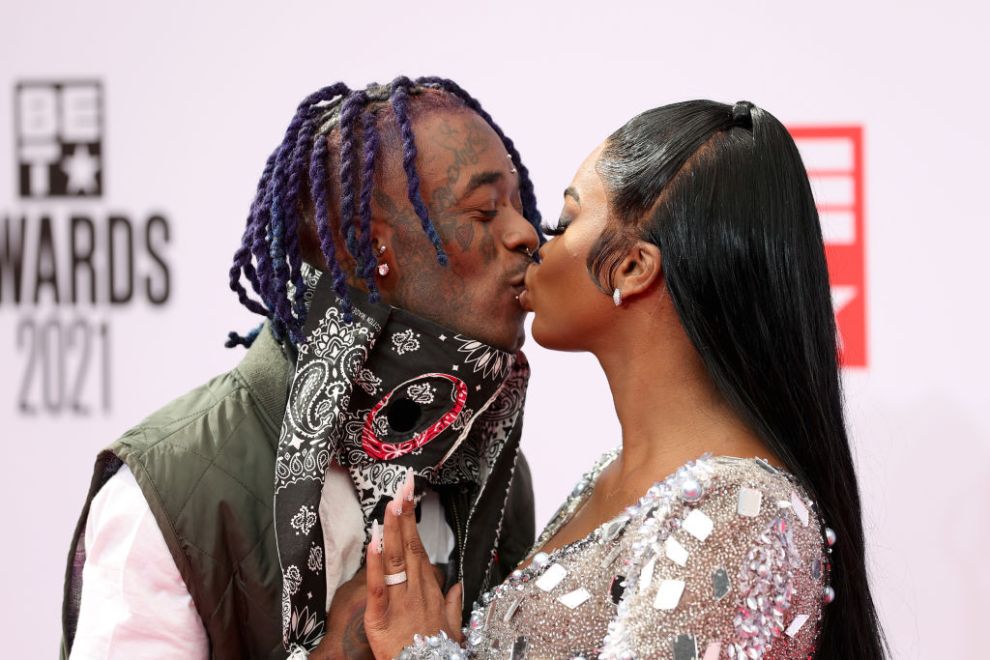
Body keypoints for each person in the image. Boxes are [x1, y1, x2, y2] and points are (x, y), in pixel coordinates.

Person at [357, 100, 888, 658]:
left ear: (633, 268)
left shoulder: (746, 513)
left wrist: (421, 653)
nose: (536, 243)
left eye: (564, 223)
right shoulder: (606, 479)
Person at [60, 76, 543, 659]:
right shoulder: (176, 490)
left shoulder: (495, 470)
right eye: (487, 209)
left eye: (518, 204)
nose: (526, 234)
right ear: (363, 249)